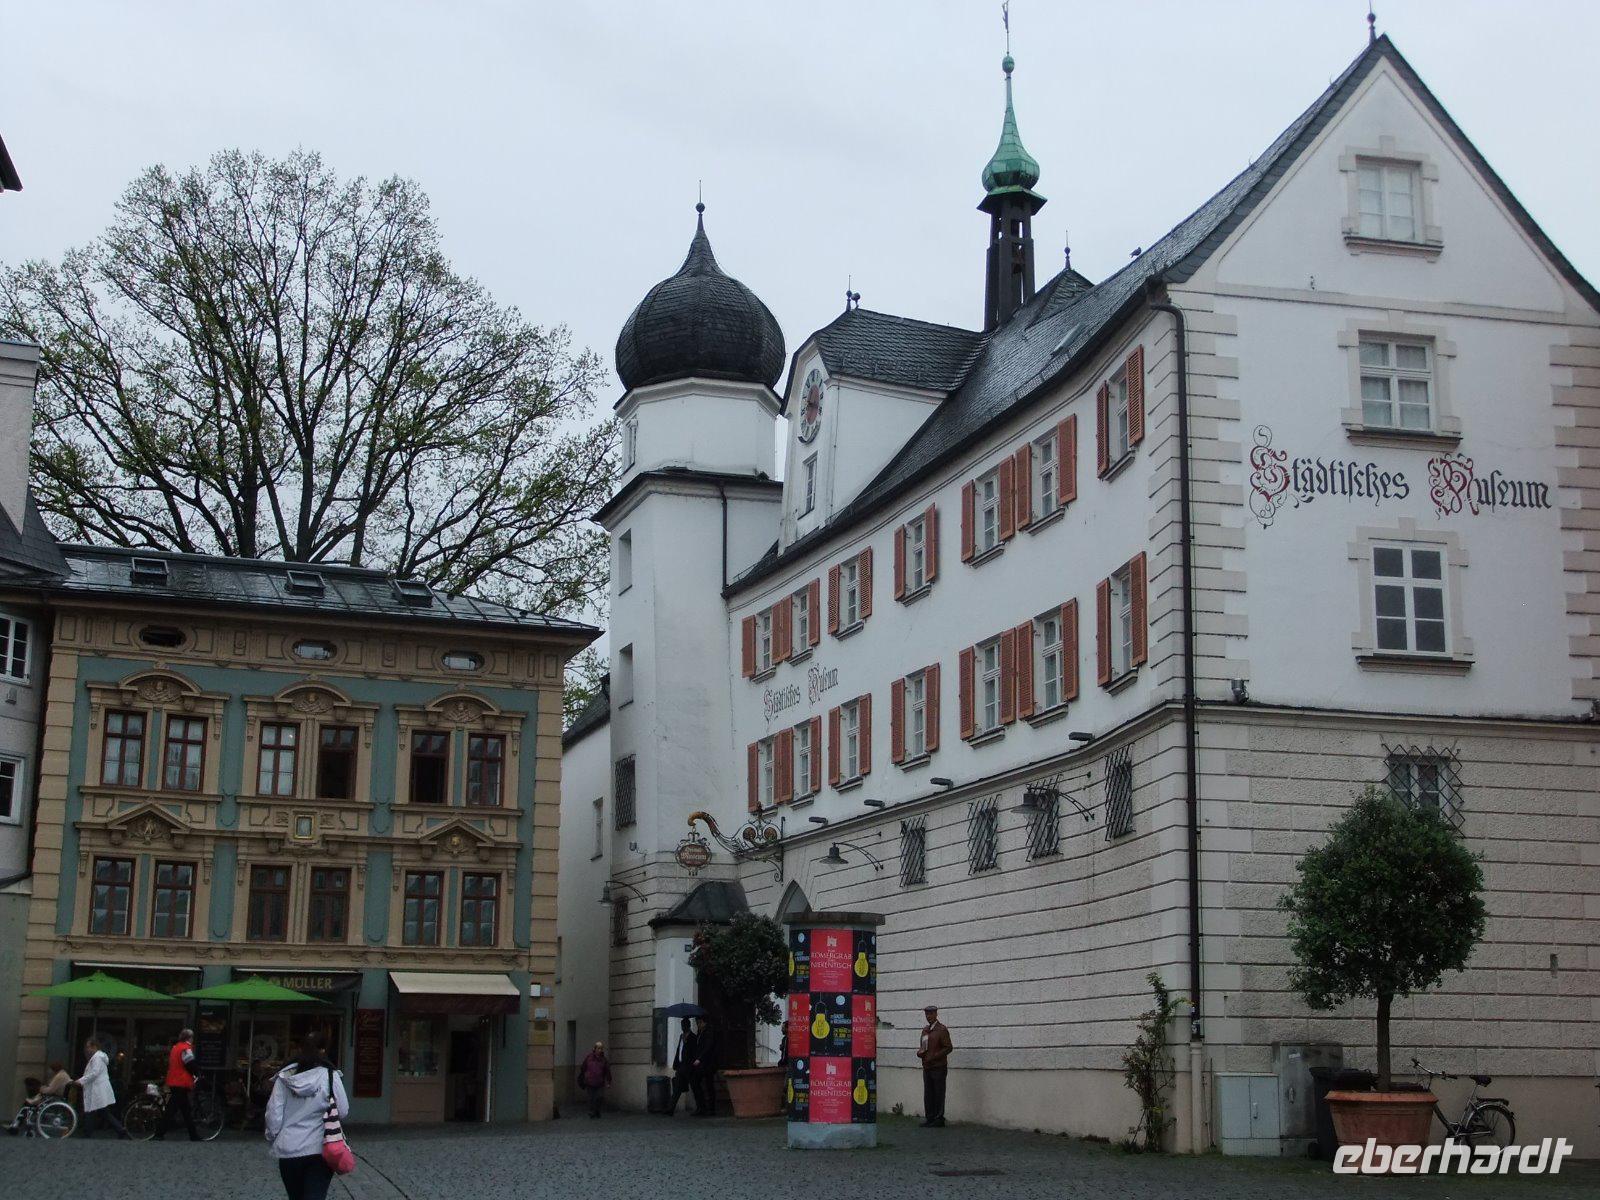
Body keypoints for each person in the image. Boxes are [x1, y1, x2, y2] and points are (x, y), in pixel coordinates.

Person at [264, 1032, 349, 1200]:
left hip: (289, 1149)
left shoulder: (285, 1077)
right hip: (320, 1148)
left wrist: (273, 1136)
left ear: (300, 1049)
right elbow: (343, 1110)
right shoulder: (330, 1075)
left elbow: (274, 1113)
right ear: (323, 1050)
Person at [75, 1037, 129, 1139]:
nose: (87, 1049)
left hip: (97, 1089)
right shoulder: (99, 1057)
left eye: (88, 1047)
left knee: (92, 1110)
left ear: (94, 1046)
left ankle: (88, 1132)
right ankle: (120, 1130)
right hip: (97, 1089)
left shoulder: (97, 1058)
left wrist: (81, 1080)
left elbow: (94, 1073)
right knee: (102, 1112)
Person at [156, 1027, 201, 1141]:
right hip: (181, 1082)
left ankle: (193, 1135)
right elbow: (190, 1063)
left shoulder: (175, 1048)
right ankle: (159, 1133)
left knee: (185, 1111)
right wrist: (198, 1073)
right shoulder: (186, 1048)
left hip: (174, 1081)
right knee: (172, 1110)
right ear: (189, 1038)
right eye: (192, 1037)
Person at [917, 1004, 952, 1128]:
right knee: (928, 1093)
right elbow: (923, 1046)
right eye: (927, 1014)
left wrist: (935, 1056)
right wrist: (920, 1053)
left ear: (936, 1014)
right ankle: (930, 1117)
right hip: (927, 1066)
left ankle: (939, 1118)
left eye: (931, 1014)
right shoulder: (925, 1030)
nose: (928, 1016)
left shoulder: (942, 1030)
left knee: (938, 1092)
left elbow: (948, 1047)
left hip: (938, 1066)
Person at [669, 1018, 698, 1115]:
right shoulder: (681, 1036)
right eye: (682, 1025)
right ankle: (670, 1109)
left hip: (689, 1067)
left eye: (684, 1025)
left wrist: (693, 1064)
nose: (682, 1027)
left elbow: (694, 1053)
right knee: (677, 1088)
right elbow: (679, 1051)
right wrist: (676, 1064)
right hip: (681, 1066)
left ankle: (701, 1107)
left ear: (688, 1026)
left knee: (695, 1087)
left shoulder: (693, 1037)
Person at [690, 1016, 718, 1117]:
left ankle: (710, 1108)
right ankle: (702, 1107)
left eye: (699, 1022)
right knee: (696, 1082)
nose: (698, 1025)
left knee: (708, 1085)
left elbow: (708, 1047)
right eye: (697, 1023)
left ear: (704, 1022)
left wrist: (699, 1058)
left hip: (708, 1063)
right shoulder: (700, 1032)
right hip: (702, 1064)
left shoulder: (709, 1032)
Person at [576, 1041, 612, 1118]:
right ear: (594, 1049)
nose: (600, 1050)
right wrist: (585, 1076)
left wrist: (608, 1081)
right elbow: (583, 1067)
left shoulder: (604, 1060)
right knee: (591, 1098)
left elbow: (607, 1071)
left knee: (599, 1097)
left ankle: (597, 1110)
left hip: (600, 1082)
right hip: (590, 1081)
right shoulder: (589, 1057)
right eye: (598, 1048)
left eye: (601, 1048)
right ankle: (592, 1112)